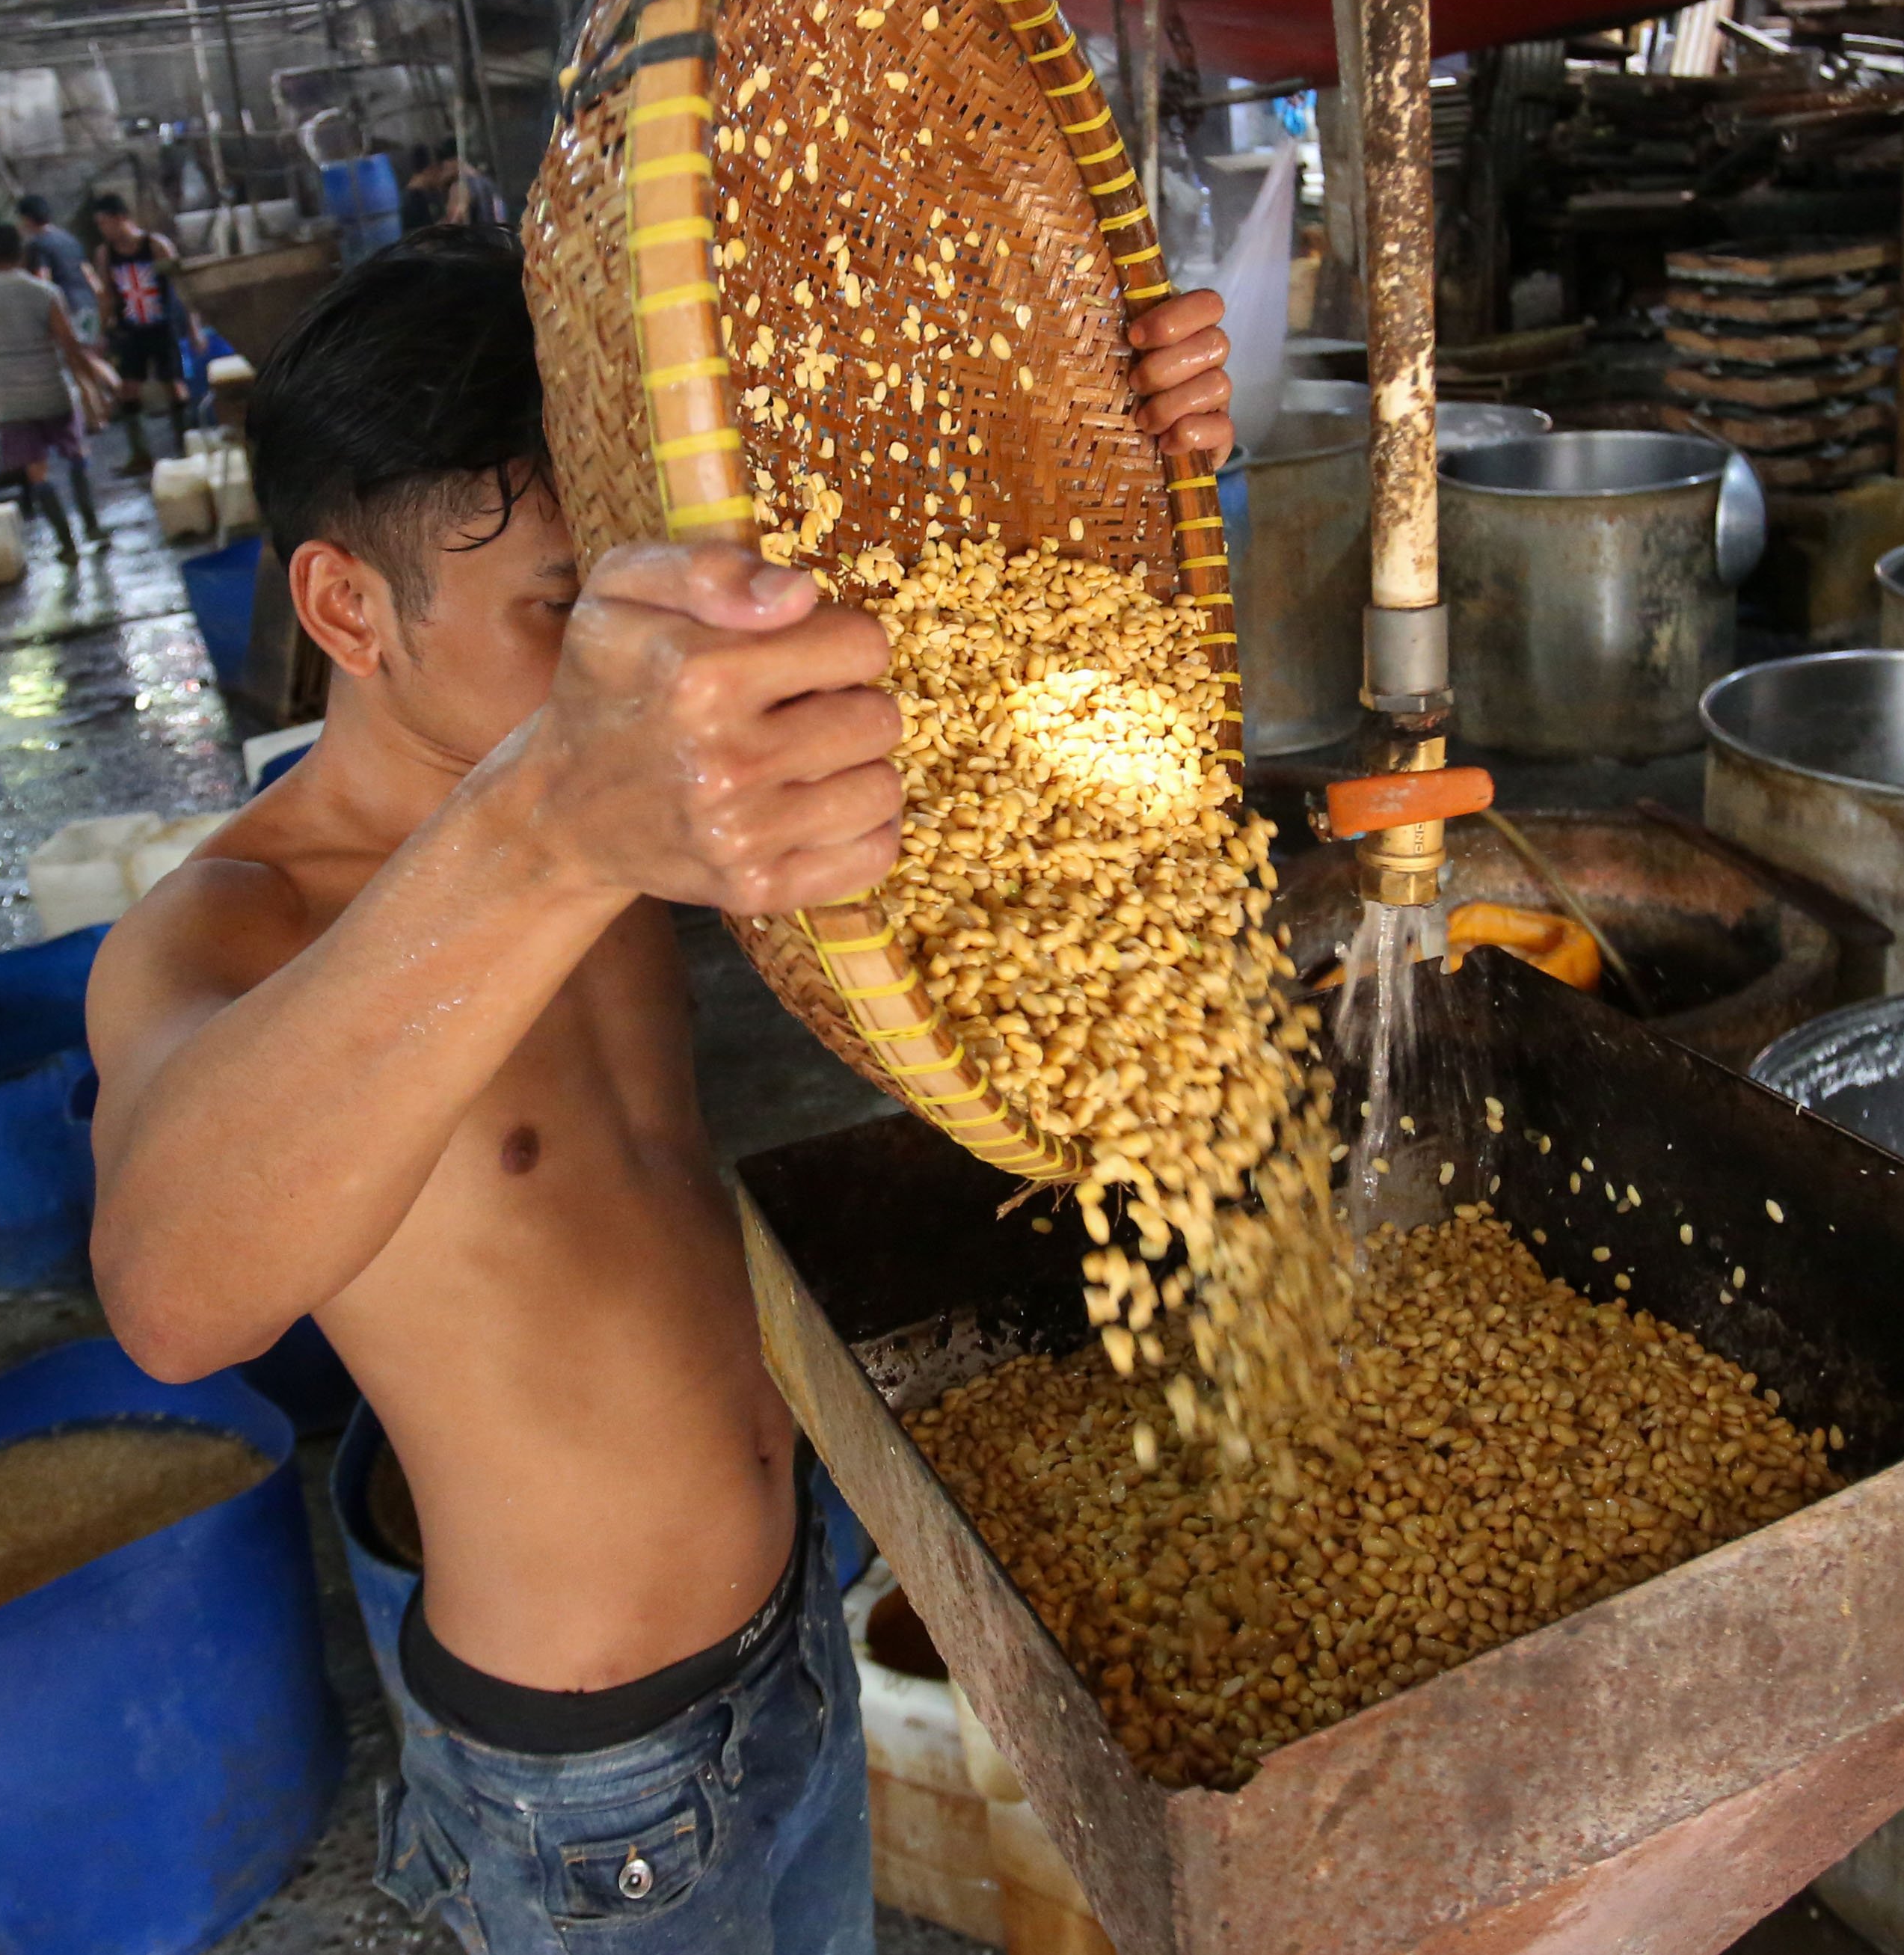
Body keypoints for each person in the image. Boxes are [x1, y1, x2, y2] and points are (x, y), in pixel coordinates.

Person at [84, 226, 1238, 1954]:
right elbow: (175, 1296)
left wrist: (1094, 425)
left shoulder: (628, 770)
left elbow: (969, 646)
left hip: (804, 1609)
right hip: (591, 1772)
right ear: (346, 607)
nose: (627, 660)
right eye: (564, 606)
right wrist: (549, 827)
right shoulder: (241, 927)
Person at [0, 221, 108, 562]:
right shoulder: (45, 293)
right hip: (52, 389)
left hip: (11, 400)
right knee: (77, 456)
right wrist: (91, 390)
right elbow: (70, 346)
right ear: (21, 252)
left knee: (36, 470)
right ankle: (93, 528)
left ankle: (66, 545)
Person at [87, 193, 197, 475]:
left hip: (163, 325)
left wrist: (193, 326)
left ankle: (187, 446)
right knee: (129, 389)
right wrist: (102, 332)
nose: (103, 230)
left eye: (105, 222)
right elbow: (108, 297)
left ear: (121, 218)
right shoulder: (106, 255)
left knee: (173, 385)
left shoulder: (156, 246)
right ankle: (140, 453)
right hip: (131, 330)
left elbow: (182, 288)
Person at [14, 194, 98, 329]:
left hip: (66, 311)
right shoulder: (70, 240)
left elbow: (42, 280)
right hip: (89, 306)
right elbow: (90, 276)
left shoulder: (38, 245)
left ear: (27, 219)